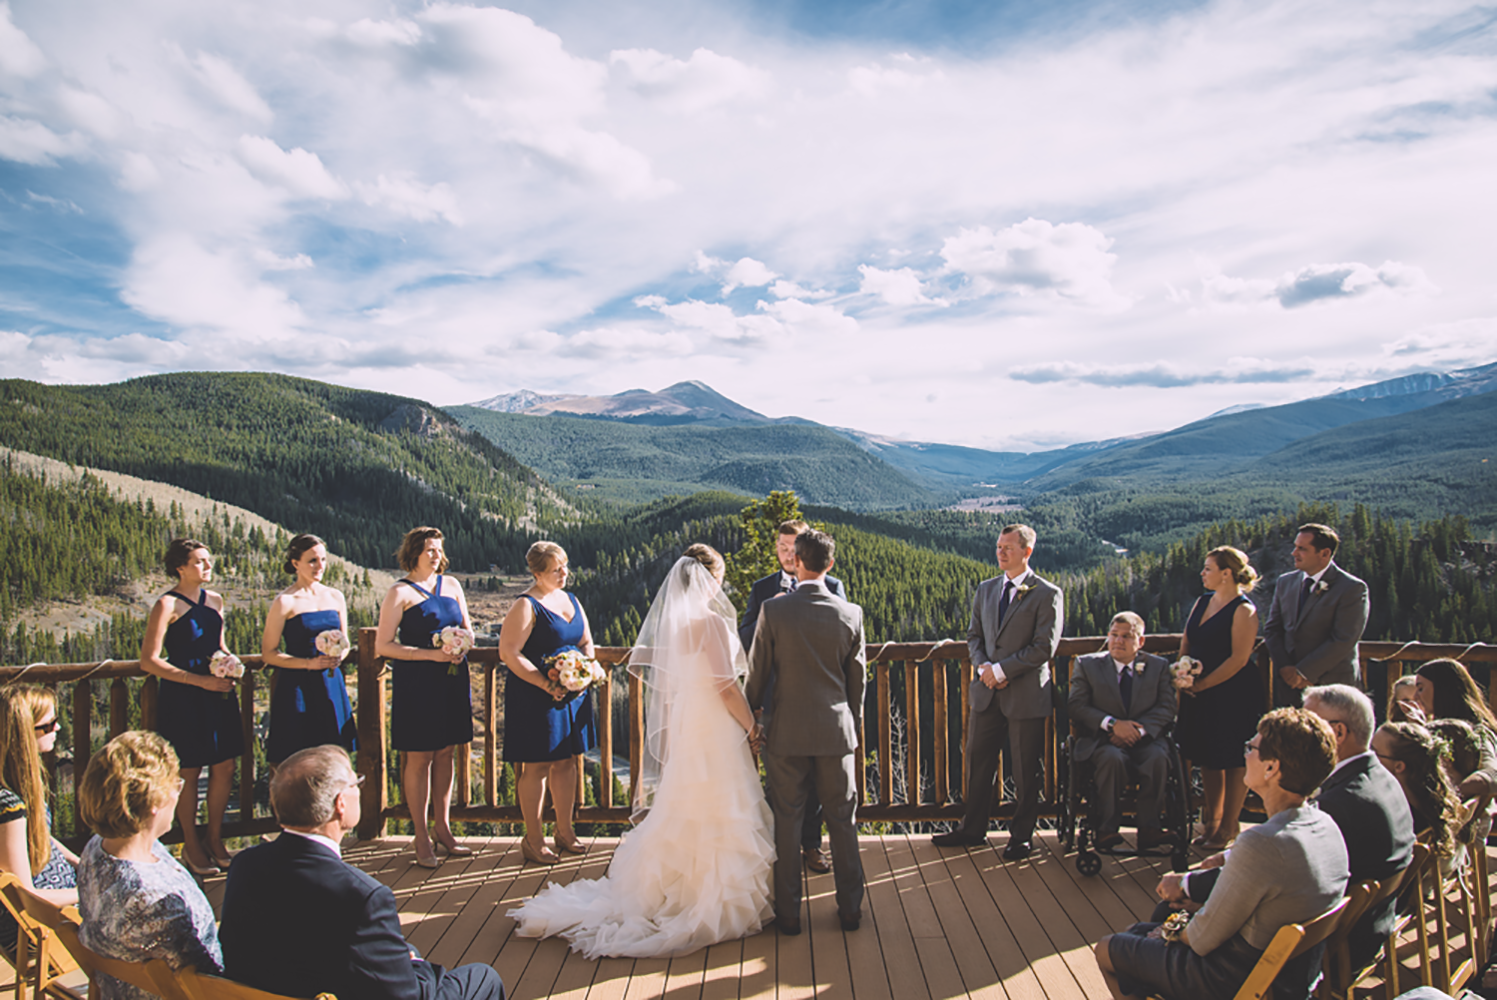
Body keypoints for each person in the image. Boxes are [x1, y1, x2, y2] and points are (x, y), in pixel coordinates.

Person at [509, 545, 773, 957]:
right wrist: (751, 724)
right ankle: (709, 895)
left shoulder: (678, 623)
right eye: (718, 577)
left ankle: (677, 886)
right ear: (709, 579)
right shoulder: (712, 624)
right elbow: (724, 686)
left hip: (689, 722)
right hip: (714, 726)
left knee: (687, 802)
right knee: (721, 804)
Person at [1096, 708, 1349, 1000]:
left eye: (1251, 748)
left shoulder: (1261, 843)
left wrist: (1170, 932)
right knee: (1136, 933)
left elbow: (1203, 940)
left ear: (1271, 768)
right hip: (1287, 975)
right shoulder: (1325, 825)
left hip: (1231, 977)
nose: (1245, 754)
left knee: (1108, 948)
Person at [1158, 685, 1413, 970]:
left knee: (1164, 913)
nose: (1297, 727)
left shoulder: (1340, 803)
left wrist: (1189, 885)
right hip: (1369, 925)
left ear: (1338, 733)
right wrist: (1227, 859)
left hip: (1327, 949)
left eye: (1309, 721)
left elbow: (1276, 864)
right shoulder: (1380, 779)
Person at [219, 746, 504, 1000]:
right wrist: (415, 966)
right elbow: (409, 995)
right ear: (340, 804)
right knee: (483, 978)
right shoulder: (361, 897)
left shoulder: (245, 865)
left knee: (406, 947)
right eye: (357, 783)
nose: (360, 789)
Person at [746, 528, 867, 935]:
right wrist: (852, 725)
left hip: (786, 733)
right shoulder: (852, 614)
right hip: (836, 732)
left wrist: (753, 720)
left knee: (787, 822)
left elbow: (758, 671)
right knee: (843, 821)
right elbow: (858, 682)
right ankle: (851, 910)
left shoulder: (774, 611)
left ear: (796, 562)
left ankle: (789, 916)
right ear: (829, 565)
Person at [932, 524, 1063, 860]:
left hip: (1025, 694)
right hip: (986, 691)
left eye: (1008, 547)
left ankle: (1021, 836)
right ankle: (972, 829)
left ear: (1027, 552)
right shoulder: (986, 589)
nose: (1001, 553)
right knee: (978, 761)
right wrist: (983, 670)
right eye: (998, 546)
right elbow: (973, 636)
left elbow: (1043, 648)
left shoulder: (1047, 594)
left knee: (1024, 769)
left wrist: (1002, 670)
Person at [738, 518, 849, 876]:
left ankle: (812, 847)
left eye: (793, 548)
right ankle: (777, 851)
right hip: (775, 703)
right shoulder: (763, 589)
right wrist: (770, 612)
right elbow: (743, 639)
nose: (788, 555)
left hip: (819, 705)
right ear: (777, 548)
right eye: (782, 547)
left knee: (816, 787)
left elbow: (842, 640)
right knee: (780, 785)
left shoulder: (833, 586)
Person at [76, 731, 223, 1000]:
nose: (178, 793)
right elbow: (208, 982)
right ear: (155, 803)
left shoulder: (96, 849)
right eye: (176, 786)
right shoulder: (154, 903)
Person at [139, 538, 242, 874]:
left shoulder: (214, 601)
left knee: (225, 766)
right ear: (180, 567)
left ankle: (215, 837)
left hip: (219, 692)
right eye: (200, 561)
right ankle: (190, 843)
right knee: (189, 770)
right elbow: (149, 661)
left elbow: (219, 644)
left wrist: (229, 661)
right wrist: (199, 681)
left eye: (209, 560)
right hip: (184, 695)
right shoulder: (167, 604)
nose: (207, 566)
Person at [375, 527, 476, 869]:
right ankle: (420, 835)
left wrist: (463, 643)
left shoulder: (452, 585)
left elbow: (468, 627)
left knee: (446, 752)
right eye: (429, 549)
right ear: (414, 552)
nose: (436, 555)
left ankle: (443, 828)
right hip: (417, 682)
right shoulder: (399, 593)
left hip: (451, 679)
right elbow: (383, 645)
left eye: (439, 549)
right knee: (419, 758)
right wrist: (429, 655)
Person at [498, 540, 596, 866]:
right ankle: (534, 839)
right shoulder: (525, 606)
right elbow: (508, 652)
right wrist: (544, 683)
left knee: (567, 761)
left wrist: (585, 672)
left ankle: (565, 832)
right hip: (535, 696)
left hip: (572, 695)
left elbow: (585, 641)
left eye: (565, 565)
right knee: (537, 766)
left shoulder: (571, 599)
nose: (564, 573)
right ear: (537, 573)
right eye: (556, 569)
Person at [1174, 545, 1263, 850]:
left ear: (1226, 574)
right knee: (1208, 758)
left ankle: (1229, 826)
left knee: (1232, 758)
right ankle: (1211, 822)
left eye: (1208, 568)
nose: (1203, 573)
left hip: (1232, 692)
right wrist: (1181, 675)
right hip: (1197, 691)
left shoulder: (1244, 610)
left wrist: (1204, 684)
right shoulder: (1202, 602)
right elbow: (1187, 641)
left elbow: (1239, 659)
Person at [1068, 612, 1177, 851]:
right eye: (1114, 635)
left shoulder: (1158, 667)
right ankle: (1106, 829)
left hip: (1146, 740)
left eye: (1127, 636)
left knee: (1158, 758)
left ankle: (1150, 828)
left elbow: (1167, 707)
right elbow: (1077, 705)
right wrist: (1112, 724)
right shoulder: (1087, 665)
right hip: (1103, 741)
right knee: (1112, 759)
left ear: (1141, 641)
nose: (1118, 641)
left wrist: (1139, 731)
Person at [262, 533, 356, 767]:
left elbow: (345, 642)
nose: (320, 566)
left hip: (330, 681)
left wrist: (338, 656)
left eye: (323, 559)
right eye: (312, 560)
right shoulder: (285, 601)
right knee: (296, 758)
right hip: (297, 685)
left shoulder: (336, 596)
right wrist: (308, 664)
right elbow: (269, 653)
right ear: (296, 563)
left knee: (334, 756)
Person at [0, 685, 77, 951]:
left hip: (61, 905)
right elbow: (25, 896)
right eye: (49, 724)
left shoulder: (14, 783)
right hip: (41, 926)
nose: (57, 729)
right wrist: (88, 894)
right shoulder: (9, 808)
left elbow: (39, 835)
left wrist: (80, 862)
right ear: (22, 734)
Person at [1264, 523, 1370, 706]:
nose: (1294, 553)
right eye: (1295, 547)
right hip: (1289, 686)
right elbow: (1273, 630)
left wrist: (1303, 672)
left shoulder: (1352, 588)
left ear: (1325, 554)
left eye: (1302, 549)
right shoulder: (1285, 582)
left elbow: (1344, 638)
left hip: (1331, 685)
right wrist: (1286, 669)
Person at [1372, 721, 1462, 861]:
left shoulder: (1398, 817)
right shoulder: (1429, 798)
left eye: (1374, 752)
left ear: (1399, 766)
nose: (1369, 757)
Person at [1408, 657, 1497, 798]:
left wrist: (1451, 798)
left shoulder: (1478, 730)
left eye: (1420, 688)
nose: (1415, 696)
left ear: (1442, 689)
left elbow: (1492, 774)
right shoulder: (1434, 726)